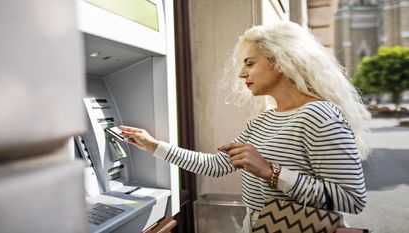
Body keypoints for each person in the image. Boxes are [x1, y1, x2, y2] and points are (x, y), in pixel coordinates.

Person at [120, 21, 370, 233]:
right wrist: (153, 145)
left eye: (250, 63)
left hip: (298, 225)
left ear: (281, 62)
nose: (241, 73)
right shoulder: (263, 120)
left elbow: (352, 199)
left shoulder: (319, 115)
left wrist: (270, 171)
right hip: (256, 224)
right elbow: (216, 165)